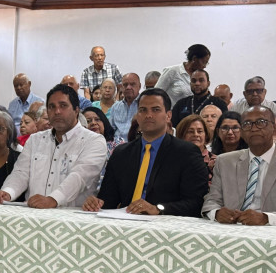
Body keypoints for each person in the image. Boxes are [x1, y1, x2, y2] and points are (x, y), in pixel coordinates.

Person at [83, 89, 209, 217]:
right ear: (137, 115)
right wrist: (96, 203)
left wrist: (159, 209)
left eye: (155, 110)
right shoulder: (121, 153)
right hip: (126, 222)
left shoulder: (186, 153)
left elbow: (196, 202)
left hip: (167, 226)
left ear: (168, 115)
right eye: (143, 110)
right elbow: (108, 199)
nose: (148, 115)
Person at [0, 84, 106, 208]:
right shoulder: (35, 140)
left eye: (63, 106)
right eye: (51, 107)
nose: (57, 111)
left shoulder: (94, 141)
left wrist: (52, 199)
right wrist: (7, 192)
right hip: (33, 214)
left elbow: (79, 177)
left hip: (72, 219)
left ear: (76, 110)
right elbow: (20, 173)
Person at [203, 106, 276, 225]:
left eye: (261, 122)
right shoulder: (225, 161)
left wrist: (266, 218)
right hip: (231, 231)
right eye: (247, 124)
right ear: (242, 132)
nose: (254, 128)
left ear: (274, 127)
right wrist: (216, 213)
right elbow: (212, 200)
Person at [174, 114, 215, 180]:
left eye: (200, 131)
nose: (196, 134)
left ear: (206, 135)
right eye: (190, 132)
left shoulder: (216, 161)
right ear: (182, 135)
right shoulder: (173, 160)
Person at [107, 73, 141, 142]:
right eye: (125, 85)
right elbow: (110, 130)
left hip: (136, 144)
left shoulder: (144, 105)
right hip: (116, 147)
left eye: (132, 84)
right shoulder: (115, 107)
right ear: (121, 87)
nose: (128, 87)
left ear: (139, 86)